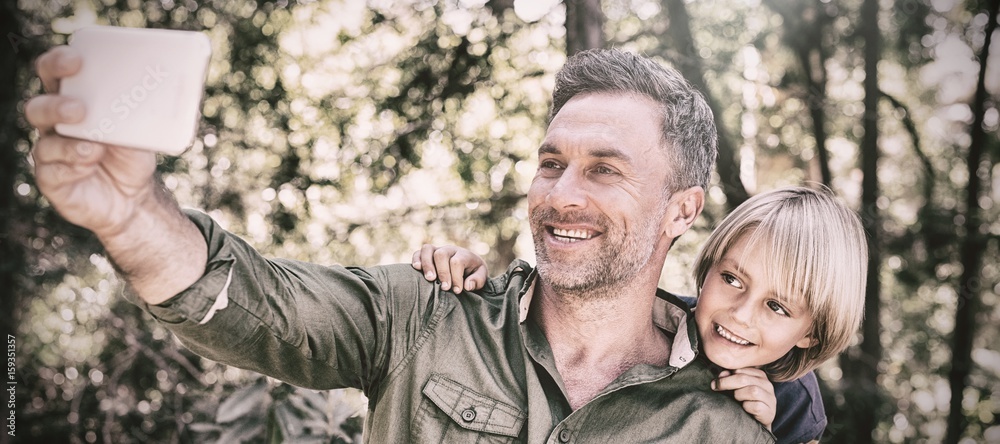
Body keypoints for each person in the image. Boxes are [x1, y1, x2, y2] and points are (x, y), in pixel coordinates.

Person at [27, 46, 776, 442]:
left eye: (604, 170)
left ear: (682, 209)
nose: (559, 194)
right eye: (551, 162)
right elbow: (247, 303)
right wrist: (129, 215)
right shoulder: (426, 313)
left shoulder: (722, 424)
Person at [412, 186, 866, 443]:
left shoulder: (795, 405)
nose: (740, 314)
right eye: (732, 280)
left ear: (811, 332)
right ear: (707, 271)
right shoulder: (653, 324)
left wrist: (758, 435)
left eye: (777, 307)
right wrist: (478, 282)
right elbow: (559, 298)